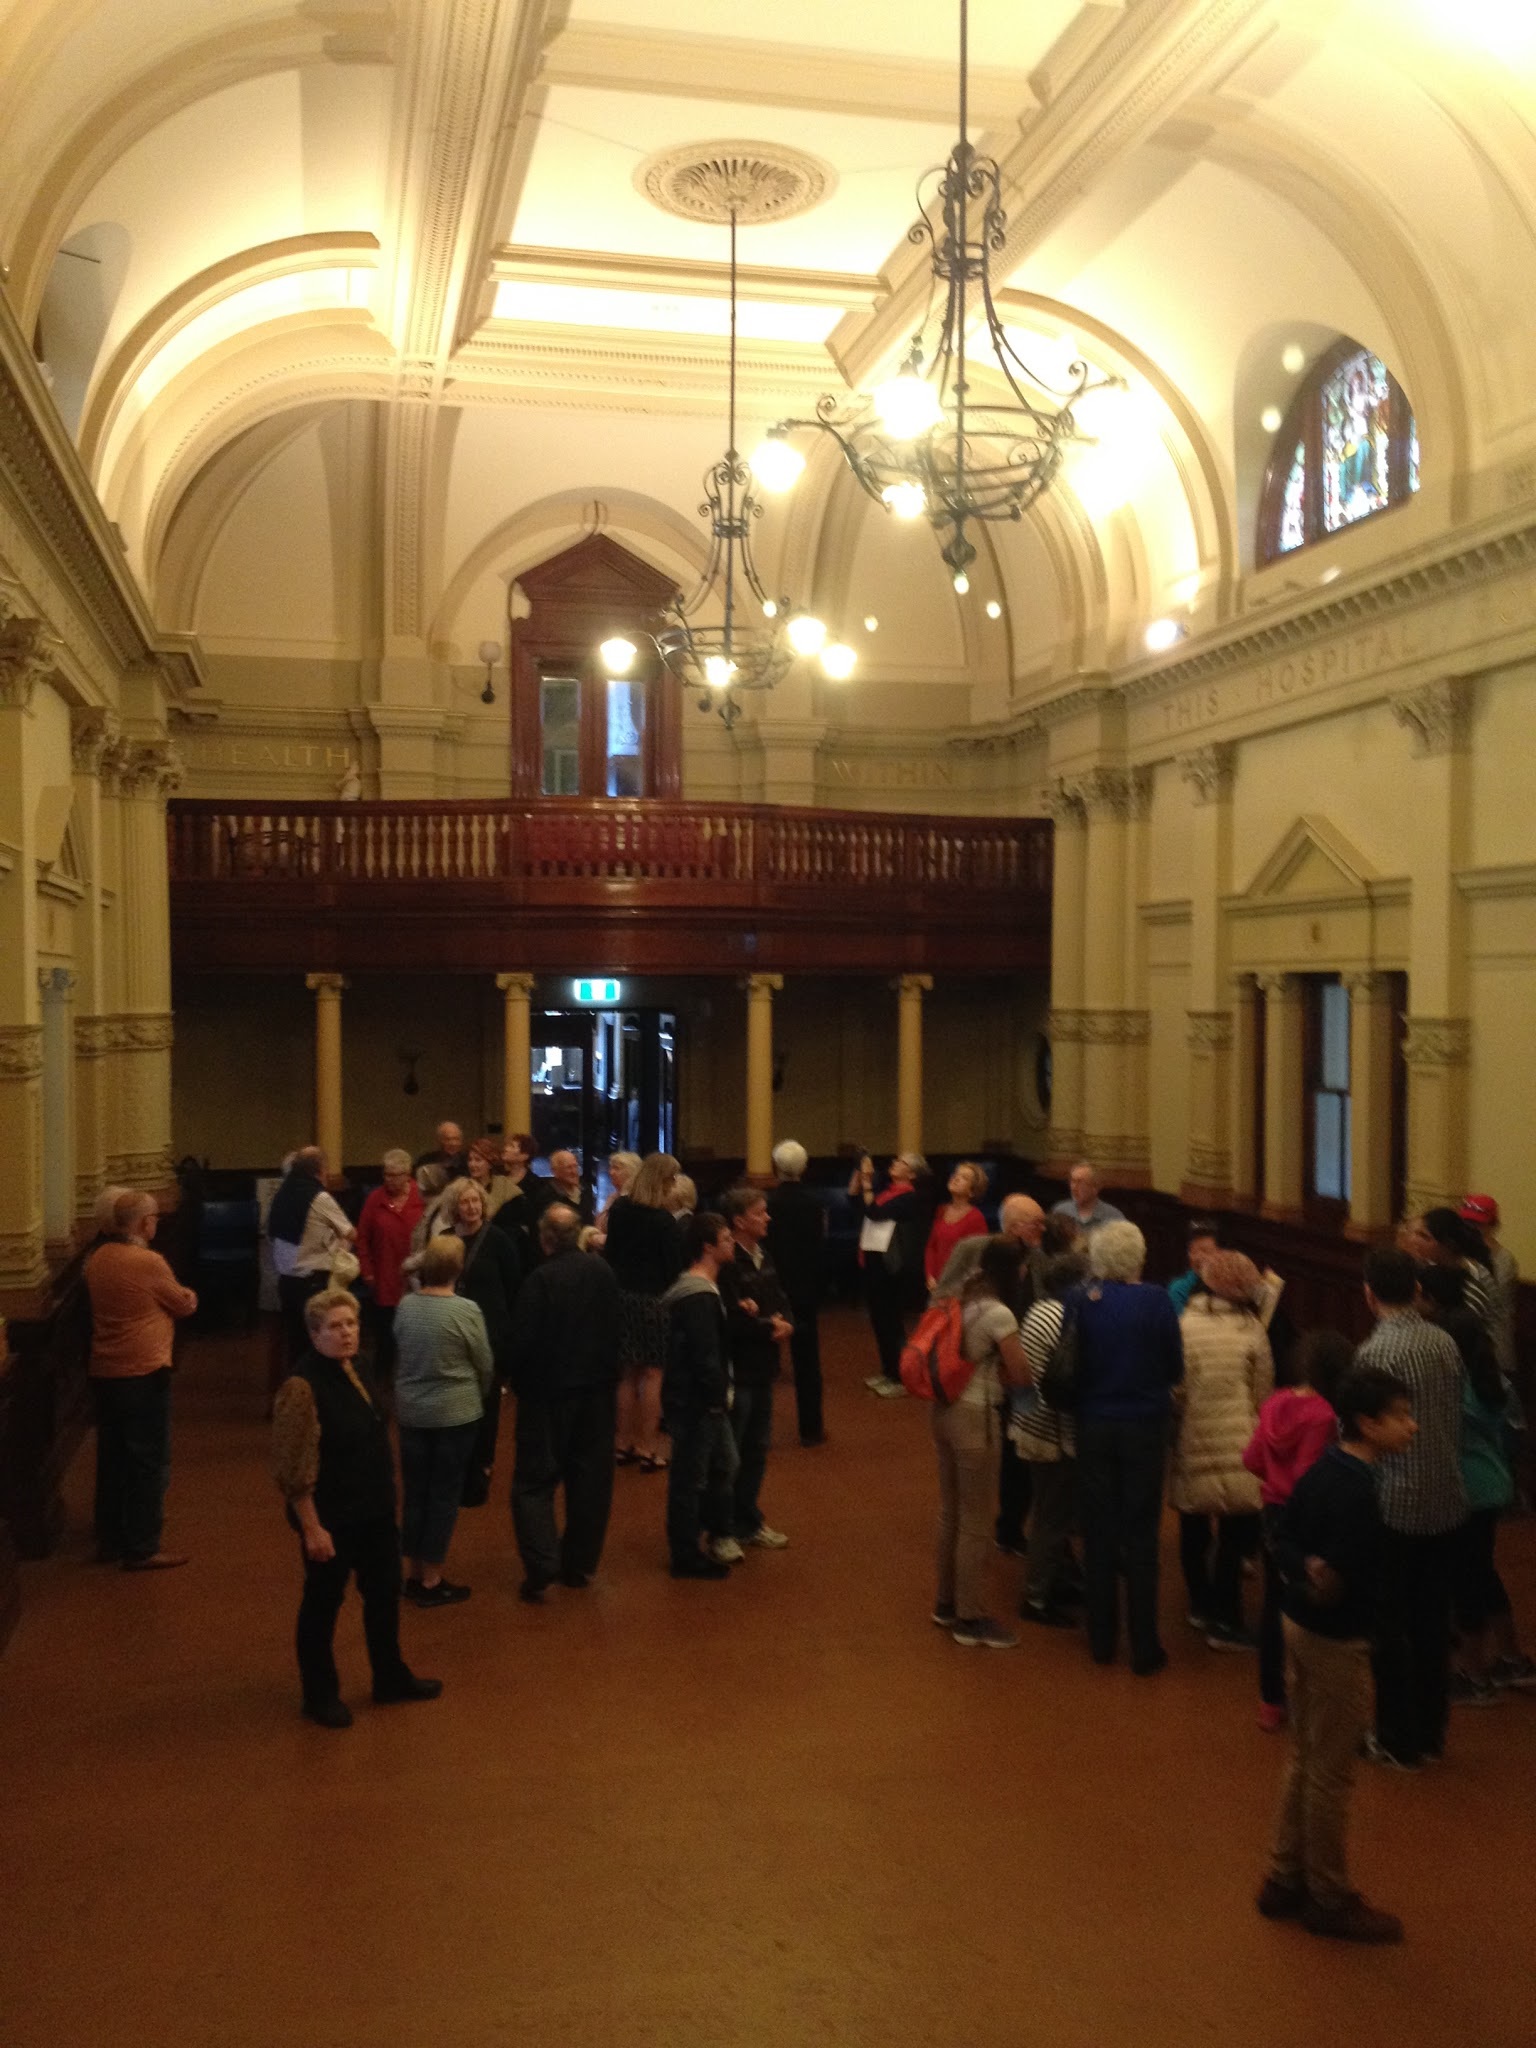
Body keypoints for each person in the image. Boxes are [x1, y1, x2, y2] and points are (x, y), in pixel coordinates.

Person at [1257, 1363, 1416, 1944]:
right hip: (1334, 1640)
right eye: (1401, 1416)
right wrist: (1324, 1577)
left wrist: (1303, 1566)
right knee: (1331, 1773)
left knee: (1305, 1755)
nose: (1412, 1426)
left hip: (1298, 1627)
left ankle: (1283, 1876)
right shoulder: (1358, 1493)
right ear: (1368, 1424)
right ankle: (1328, 1895)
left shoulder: (1324, 1469)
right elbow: (1349, 1574)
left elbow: (1283, 1535)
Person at [271, 1286, 441, 1727]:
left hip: (374, 1510)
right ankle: (319, 1695)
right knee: (323, 1603)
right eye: (334, 1326)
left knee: (384, 1594)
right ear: (314, 1334)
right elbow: (294, 1466)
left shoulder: (359, 1366)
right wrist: (312, 1528)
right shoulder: (302, 1387)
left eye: (351, 1323)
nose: (346, 1332)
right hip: (332, 1517)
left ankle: (389, 1677)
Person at [1353, 1246, 1468, 1769]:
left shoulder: (1374, 1354)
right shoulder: (1444, 1341)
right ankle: (1431, 1730)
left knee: (1390, 1627)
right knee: (1433, 1619)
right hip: (1446, 1496)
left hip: (1395, 1503)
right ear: (1417, 1289)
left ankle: (1396, 1737)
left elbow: (1364, 1437)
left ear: (1369, 1294)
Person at [1416, 1263, 1534, 1700]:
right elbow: (1511, 1432)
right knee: (1482, 1574)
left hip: (1464, 1490)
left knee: (1465, 1580)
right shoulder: (1493, 1381)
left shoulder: (1451, 1387)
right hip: (1492, 1484)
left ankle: (1474, 1674)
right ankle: (1511, 1658)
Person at [1073, 1220, 1184, 1674]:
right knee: (1141, 1535)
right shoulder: (1157, 1300)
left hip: (1094, 1423)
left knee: (1098, 1531)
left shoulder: (1081, 1300)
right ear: (1139, 1256)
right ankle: (1144, 1646)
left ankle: (1101, 1640)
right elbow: (1174, 1366)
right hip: (1143, 1426)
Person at [507, 1203, 623, 1599]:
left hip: (547, 1395)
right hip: (597, 1394)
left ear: (545, 1240)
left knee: (534, 1481)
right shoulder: (602, 1272)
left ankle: (542, 1562)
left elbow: (521, 1341)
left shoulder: (540, 1280)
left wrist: (515, 1379)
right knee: (590, 1480)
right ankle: (579, 1564)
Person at [1244, 1328, 1353, 1731]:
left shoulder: (1274, 1402)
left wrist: (1274, 1481)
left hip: (1271, 1512)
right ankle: (1310, 1696)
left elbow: (1251, 1458)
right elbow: (1308, 1476)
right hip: (1305, 1517)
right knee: (1309, 1606)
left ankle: (1270, 1701)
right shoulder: (1324, 1414)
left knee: (1273, 1604)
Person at [86, 1189, 198, 1570]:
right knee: (148, 1460)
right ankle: (142, 1545)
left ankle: (110, 1540)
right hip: (144, 1369)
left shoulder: (98, 1258)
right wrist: (190, 1295)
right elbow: (182, 1304)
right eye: (154, 1218)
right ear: (142, 1223)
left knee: (113, 1457)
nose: (157, 1223)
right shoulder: (148, 1261)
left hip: (106, 1369)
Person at [934, 1192, 1048, 1557]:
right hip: (979, 1378)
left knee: (1018, 1455)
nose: (1042, 1230)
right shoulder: (974, 1250)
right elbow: (942, 1299)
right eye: (1035, 1224)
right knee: (972, 1489)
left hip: (1017, 1367)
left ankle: (1011, 1525)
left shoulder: (1039, 1257)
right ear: (1013, 1228)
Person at [1172, 1249, 1275, 1650]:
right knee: (1237, 1533)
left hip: (1194, 1434)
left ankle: (1198, 1604)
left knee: (1193, 1525)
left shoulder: (1184, 1324)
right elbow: (1263, 1393)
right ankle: (1226, 1618)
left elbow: (1176, 1388)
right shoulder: (1253, 1330)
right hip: (1240, 1441)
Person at [931, 1236, 1031, 1648]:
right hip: (977, 1417)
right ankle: (970, 1617)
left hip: (943, 1411)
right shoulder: (999, 1313)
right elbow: (1021, 1373)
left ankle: (946, 1602)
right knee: (976, 1521)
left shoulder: (960, 1298)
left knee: (951, 1512)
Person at [392, 1235, 493, 1607]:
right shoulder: (466, 1311)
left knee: (415, 1492)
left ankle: (412, 1572)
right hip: (455, 1413)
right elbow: (484, 1364)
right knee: (444, 1495)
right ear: (459, 1268)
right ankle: (433, 1579)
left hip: (412, 1412)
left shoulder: (406, 1307)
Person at [1010, 1243, 1090, 1626]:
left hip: (1030, 1426)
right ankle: (1037, 1597)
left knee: (1047, 1510)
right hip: (1053, 1433)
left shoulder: (1040, 1309)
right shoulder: (1065, 1317)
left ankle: (1052, 1581)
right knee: (1052, 1518)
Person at [660, 1212, 739, 1580]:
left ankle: (710, 1531)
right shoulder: (698, 1297)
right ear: (707, 1248)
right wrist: (716, 1397)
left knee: (724, 1464)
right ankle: (685, 1553)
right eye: (726, 1239)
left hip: (699, 1399)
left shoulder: (700, 1291)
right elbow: (704, 1355)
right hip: (696, 1401)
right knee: (690, 1478)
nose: (732, 1243)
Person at [717, 1186, 794, 1559]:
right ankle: (721, 1529)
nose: (768, 1218)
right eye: (760, 1213)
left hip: (763, 1368)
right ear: (739, 1221)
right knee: (729, 1456)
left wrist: (787, 1321)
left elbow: (780, 1298)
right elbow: (730, 1318)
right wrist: (768, 1327)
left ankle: (747, 1521)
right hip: (739, 1370)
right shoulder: (728, 1263)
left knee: (756, 1450)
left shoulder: (765, 1255)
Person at [435, 1176, 522, 1505]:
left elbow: (513, 1285)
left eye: (476, 1201)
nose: (471, 1207)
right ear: (454, 1206)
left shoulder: (498, 1239)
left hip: (489, 1332)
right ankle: (459, 1462)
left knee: (487, 1403)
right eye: (465, 1202)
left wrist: (507, 1332)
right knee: (454, 1399)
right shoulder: (444, 1240)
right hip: (452, 1331)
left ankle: (483, 1464)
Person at [604, 1151, 684, 1470]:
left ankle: (622, 1443)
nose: (675, 1184)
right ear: (662, 1181)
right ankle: (647, 1447)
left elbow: (610, 1254)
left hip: (622, 1296)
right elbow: (673, 1269)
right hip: (654, 1300)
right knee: (653, 1373)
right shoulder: (664, 1221)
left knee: (626, 1373)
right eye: (672, 1178)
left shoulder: (620, 1209)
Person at [851, 1149, 929, 1396]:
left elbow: (875, 1212)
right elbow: (858, 1204)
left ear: (912, 1173)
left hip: (891, 1267)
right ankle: (887, 1371)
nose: (894, 1163)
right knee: (879, 1320)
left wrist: (867, 1183)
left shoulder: (909, 1197)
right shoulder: (888, 1192)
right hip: (875, 1262)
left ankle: (899, 1376)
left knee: (891, 1323)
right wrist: (860, 1175)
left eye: (901, 1162)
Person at [268, 1146, 355, 1364]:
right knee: (319, 1345)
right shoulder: (319, 1197)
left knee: (296, 1346)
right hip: (312, 1283)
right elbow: (351, 1233)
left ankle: (299, 1383)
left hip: (286, 1282)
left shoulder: (282, 1194)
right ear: (320, 1170)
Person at [766, 1140, 828, 1447]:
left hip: (773, 1286)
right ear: (804, 1167)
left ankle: (759, 1429)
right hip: (805, 1286)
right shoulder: (814, 1202)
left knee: (763, 1358)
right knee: (807, 1360)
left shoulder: (769, 1203)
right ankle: (811, 1428)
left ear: (776, 1167)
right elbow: (820, 1245)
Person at [354, 1148, 423, 1382]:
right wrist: (367, 1271)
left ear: (407, 1175)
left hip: (416, 1279)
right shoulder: (375, 1199)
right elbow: (362, 1237)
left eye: (395, 1175)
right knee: (385, 1336)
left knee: (414, 1335)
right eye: (386, 1174)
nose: (389, 1180)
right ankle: (382, 1383)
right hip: (384, 1276)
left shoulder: (421, 1197)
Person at [1459, 1193, 1520, 1381]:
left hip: (1494, 1350)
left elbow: (1487, 1301)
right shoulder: (1463, 1255)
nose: (1471, 1228)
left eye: (1478, 1224)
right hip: (1470, 1349)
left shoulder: (1504, 1260)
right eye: (1467, 1222)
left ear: (1493, 1225)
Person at [924, 1162, 989, 1293]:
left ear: (972, 1191)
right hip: (936, 1284)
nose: (956, 1178)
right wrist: (930, 1276)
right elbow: (932, 1246)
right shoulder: (941, 1210)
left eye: (964, 1178)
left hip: (959, 1288)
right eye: (956, 1174)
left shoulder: (976, 1218)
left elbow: (976, 1259)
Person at [490, 1131, 542, 1264]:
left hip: (523, 1247)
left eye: (512, 1146)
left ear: (524, 1156)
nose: (505, 1149)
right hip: (498, 1241)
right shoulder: (497, 1179)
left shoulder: (535, 1184)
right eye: (506, 1145)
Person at [1050, 1161, 1125, 1236]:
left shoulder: (1114, 1217)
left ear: (1095, 1187)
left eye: (1080, 1182)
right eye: (1073, 1181)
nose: (1074, 1187)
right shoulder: (1060, 1212)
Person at [1167, 1219, 1220, 1314]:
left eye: (1205, 1251)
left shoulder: (1228, 1286)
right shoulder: (1179, 1288)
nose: (1198, 1257)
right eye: (1193, 1251)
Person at [544, 1148, 594, 1226]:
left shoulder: (586, 1189)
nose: (574, 1171)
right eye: (569, 1167)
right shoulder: (547, 1197)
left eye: (575, 1166)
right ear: (555, 1171)